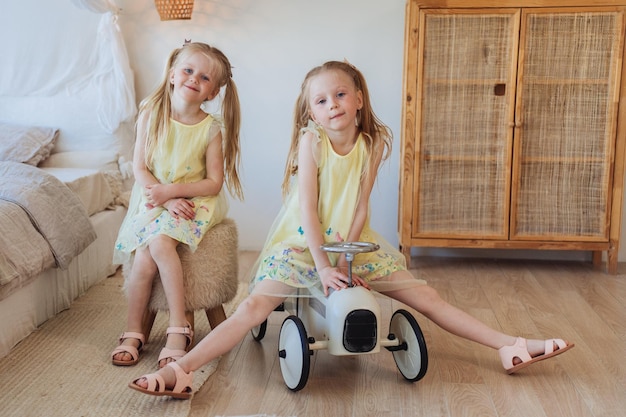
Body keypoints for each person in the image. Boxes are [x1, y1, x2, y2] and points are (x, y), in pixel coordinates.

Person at [128, 60, 574, 399]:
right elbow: (306, 212)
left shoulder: (374, 142)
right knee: (253, 310)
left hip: (350, 242)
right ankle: (182, 370)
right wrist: (324, 267)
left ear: (359, 97)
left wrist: (346, 259)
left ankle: (509, 344)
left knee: (426, 297)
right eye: (321, 101)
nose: (332, 105)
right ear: (311, 113)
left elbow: (360, 206)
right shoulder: (312, 142)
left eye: (340, 95)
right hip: (302, 243)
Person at [111, 41, 243, 369]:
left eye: (204, 77)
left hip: (194, 199)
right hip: (154, 194)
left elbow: (213, 182)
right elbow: (139, 167)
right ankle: (132, 331)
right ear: (172, 75)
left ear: (212, 93)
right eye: (188, 70)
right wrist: (164, 196)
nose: (194, 79)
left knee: (159, 244)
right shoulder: (150, 113)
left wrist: (174, 193)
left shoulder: (211, 129)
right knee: (143, 258)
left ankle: (178, 328)